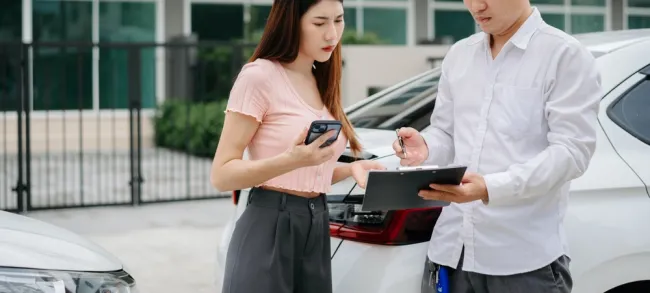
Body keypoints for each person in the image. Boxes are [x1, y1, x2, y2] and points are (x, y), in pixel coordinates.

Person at [392, 0, 602, 293]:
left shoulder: (564, 55)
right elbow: (446, 133)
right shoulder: (460, 55)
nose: (476, 5)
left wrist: (490, 187)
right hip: (451, 253)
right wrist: (425, 146)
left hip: (523, 263)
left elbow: (571, 152)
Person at [210, 1, 385, 293]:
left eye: (338, 21)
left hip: (316, 224)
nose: (332, 34)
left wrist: (350, 168)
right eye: (319, 23)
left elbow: (305, 172)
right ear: (291, 22)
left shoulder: (321, 79)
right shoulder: (259, 76)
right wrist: (291, 160)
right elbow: (222, 175)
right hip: (269, 225)